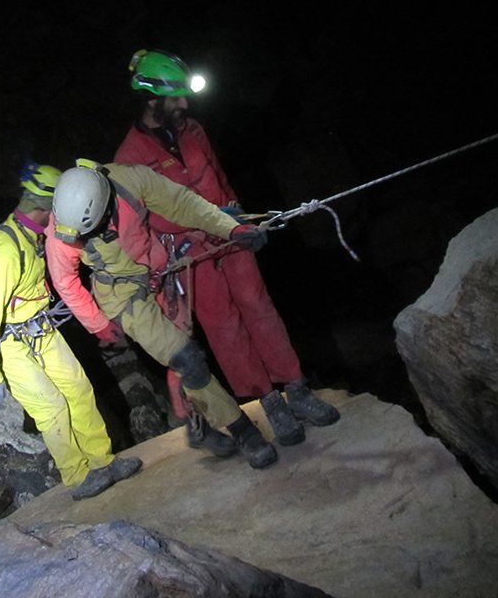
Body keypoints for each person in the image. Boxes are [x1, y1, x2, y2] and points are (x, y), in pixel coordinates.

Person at [114, 49, 340, 446]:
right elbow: (142, 222)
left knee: (259, 306)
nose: (184, 104)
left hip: (229, 236)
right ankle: (269, 402)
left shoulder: (192, 131)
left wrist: (242, 219)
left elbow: (218, 177)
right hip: (191, 253)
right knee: (224, 327)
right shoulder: (129, 160)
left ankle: (298, 389)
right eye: (176, 97)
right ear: (152, 99)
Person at [45, 159, 279, 469]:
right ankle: (243, 430)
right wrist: (98, 323)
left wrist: (231, 229)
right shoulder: (63, 227)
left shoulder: (130, 181)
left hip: (160, 273)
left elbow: (182, 205)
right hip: (122, 296)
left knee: (185, 361)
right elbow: (65, 281)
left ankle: (196, 422)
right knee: (186, 358)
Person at [0, 161, 141, 500]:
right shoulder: (3, 252)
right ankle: (77, 477)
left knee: (79, 390)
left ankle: (103, 461)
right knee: (51, 407)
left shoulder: (31, 233)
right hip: (12, 345)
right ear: (45, 207)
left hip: (42, 331)